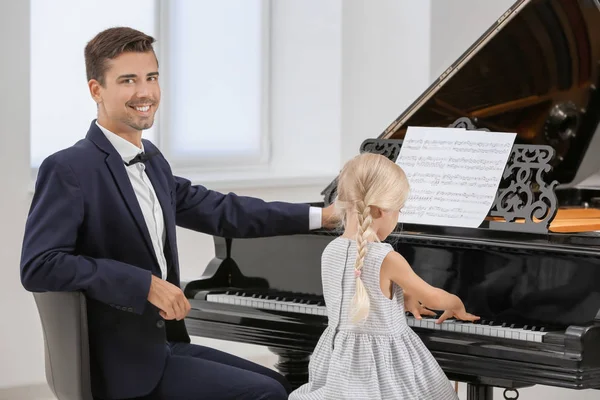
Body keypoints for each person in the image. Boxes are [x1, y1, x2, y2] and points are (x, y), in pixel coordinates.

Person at [20, 26, 337, 400]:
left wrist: (323, 215)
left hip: (163, 346)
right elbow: (39, 265)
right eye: (128, 80)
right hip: (119, 365)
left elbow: (224, 211)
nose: (145, 92)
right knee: (265, 394)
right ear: (96, 90)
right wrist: (145, 284)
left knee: (290, 387)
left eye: (151, 77)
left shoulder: (153, 162)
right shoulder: (69, 168)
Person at [289, 153, 480, 400]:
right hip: (383, 368)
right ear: (381, 211)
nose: (399, 216)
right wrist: (455, 303)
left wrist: (404, 294)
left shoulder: (330, 251)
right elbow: (433, 298)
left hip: (339, 364)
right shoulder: (387, 257)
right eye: (399, 210)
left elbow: (363, 288)